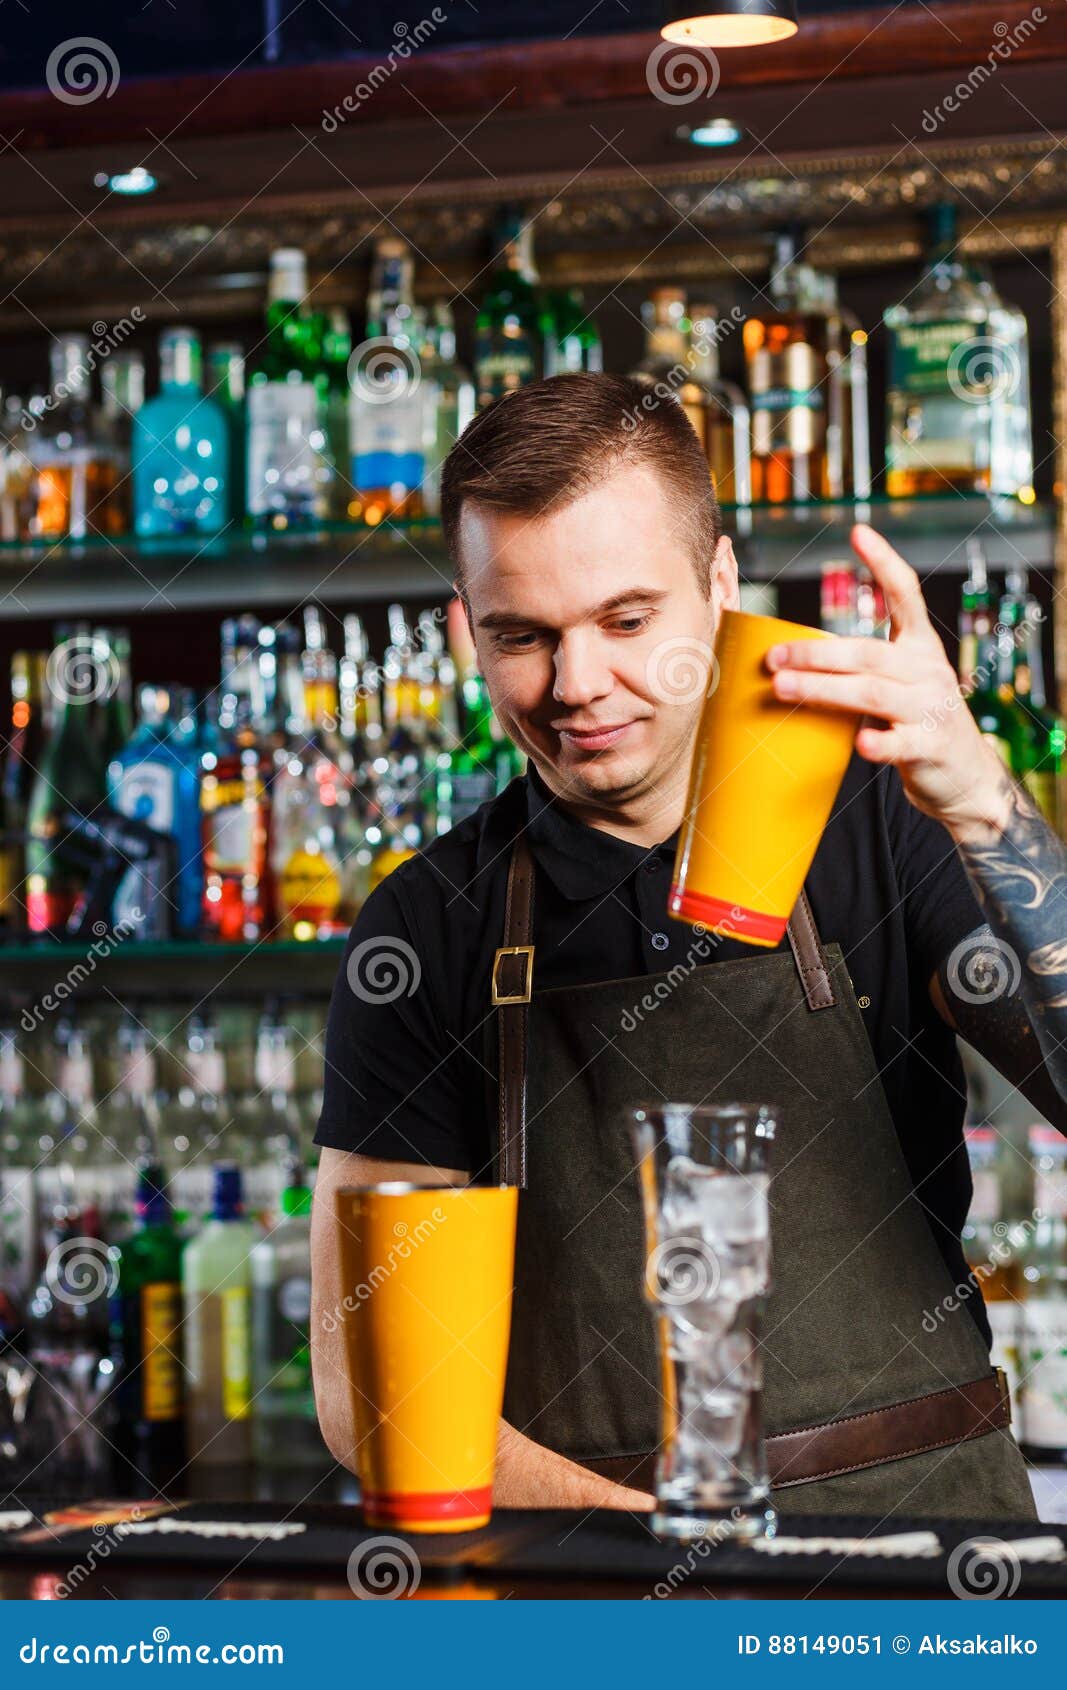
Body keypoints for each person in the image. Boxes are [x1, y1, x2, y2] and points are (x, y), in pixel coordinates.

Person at [311, 371, 1067, 1519]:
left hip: (931, 1557)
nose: (577, 686)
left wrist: (977, 802)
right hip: (594, 1583)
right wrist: (663, 1553)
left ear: (717, 585)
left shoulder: (884, 818)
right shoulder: (424, 927)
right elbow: (372, 1394)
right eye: (522, 635)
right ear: (464, 626)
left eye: (625, 621)